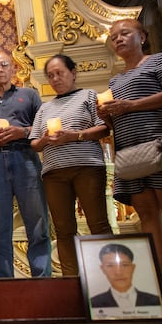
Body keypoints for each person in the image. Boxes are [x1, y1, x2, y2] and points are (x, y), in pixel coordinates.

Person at [98, 19, 162, 273]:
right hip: (129, 148)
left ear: (142, 37)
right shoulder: (115, 81)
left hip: (161, 140)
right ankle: (159, 274)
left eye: (124, 33)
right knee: (145, 211)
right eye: (114, 36)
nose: (118, 38)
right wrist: (107, 115)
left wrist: (130, 105)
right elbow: (116, 116)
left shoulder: (158, 60)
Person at [29, 54, 113, 276]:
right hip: (54, 173)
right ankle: (71, 279)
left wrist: (74, 136)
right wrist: (47, 139)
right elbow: (35, 143)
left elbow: (104, 128)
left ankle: (107, 276)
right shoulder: (44, 108)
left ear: (73, 73)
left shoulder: (88, 96)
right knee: (64, 229)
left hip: (87, 167)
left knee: (98, 223)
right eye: (50, 75)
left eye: (60, 73)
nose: (55, 79)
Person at [0, 51, 52, 278]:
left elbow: (44, 127)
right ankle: (3, 279)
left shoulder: (29, 95)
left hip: (25, 157)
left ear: (12, 69)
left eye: (3, 65)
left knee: (37, 220)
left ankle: (42, 277)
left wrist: (22, 131)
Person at [89, 243, 161, 308]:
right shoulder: (93, 303)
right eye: (110, 266)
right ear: (102, 269)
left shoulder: (155, 301)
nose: (118, 272)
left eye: (124, 265)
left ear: (133, 268)